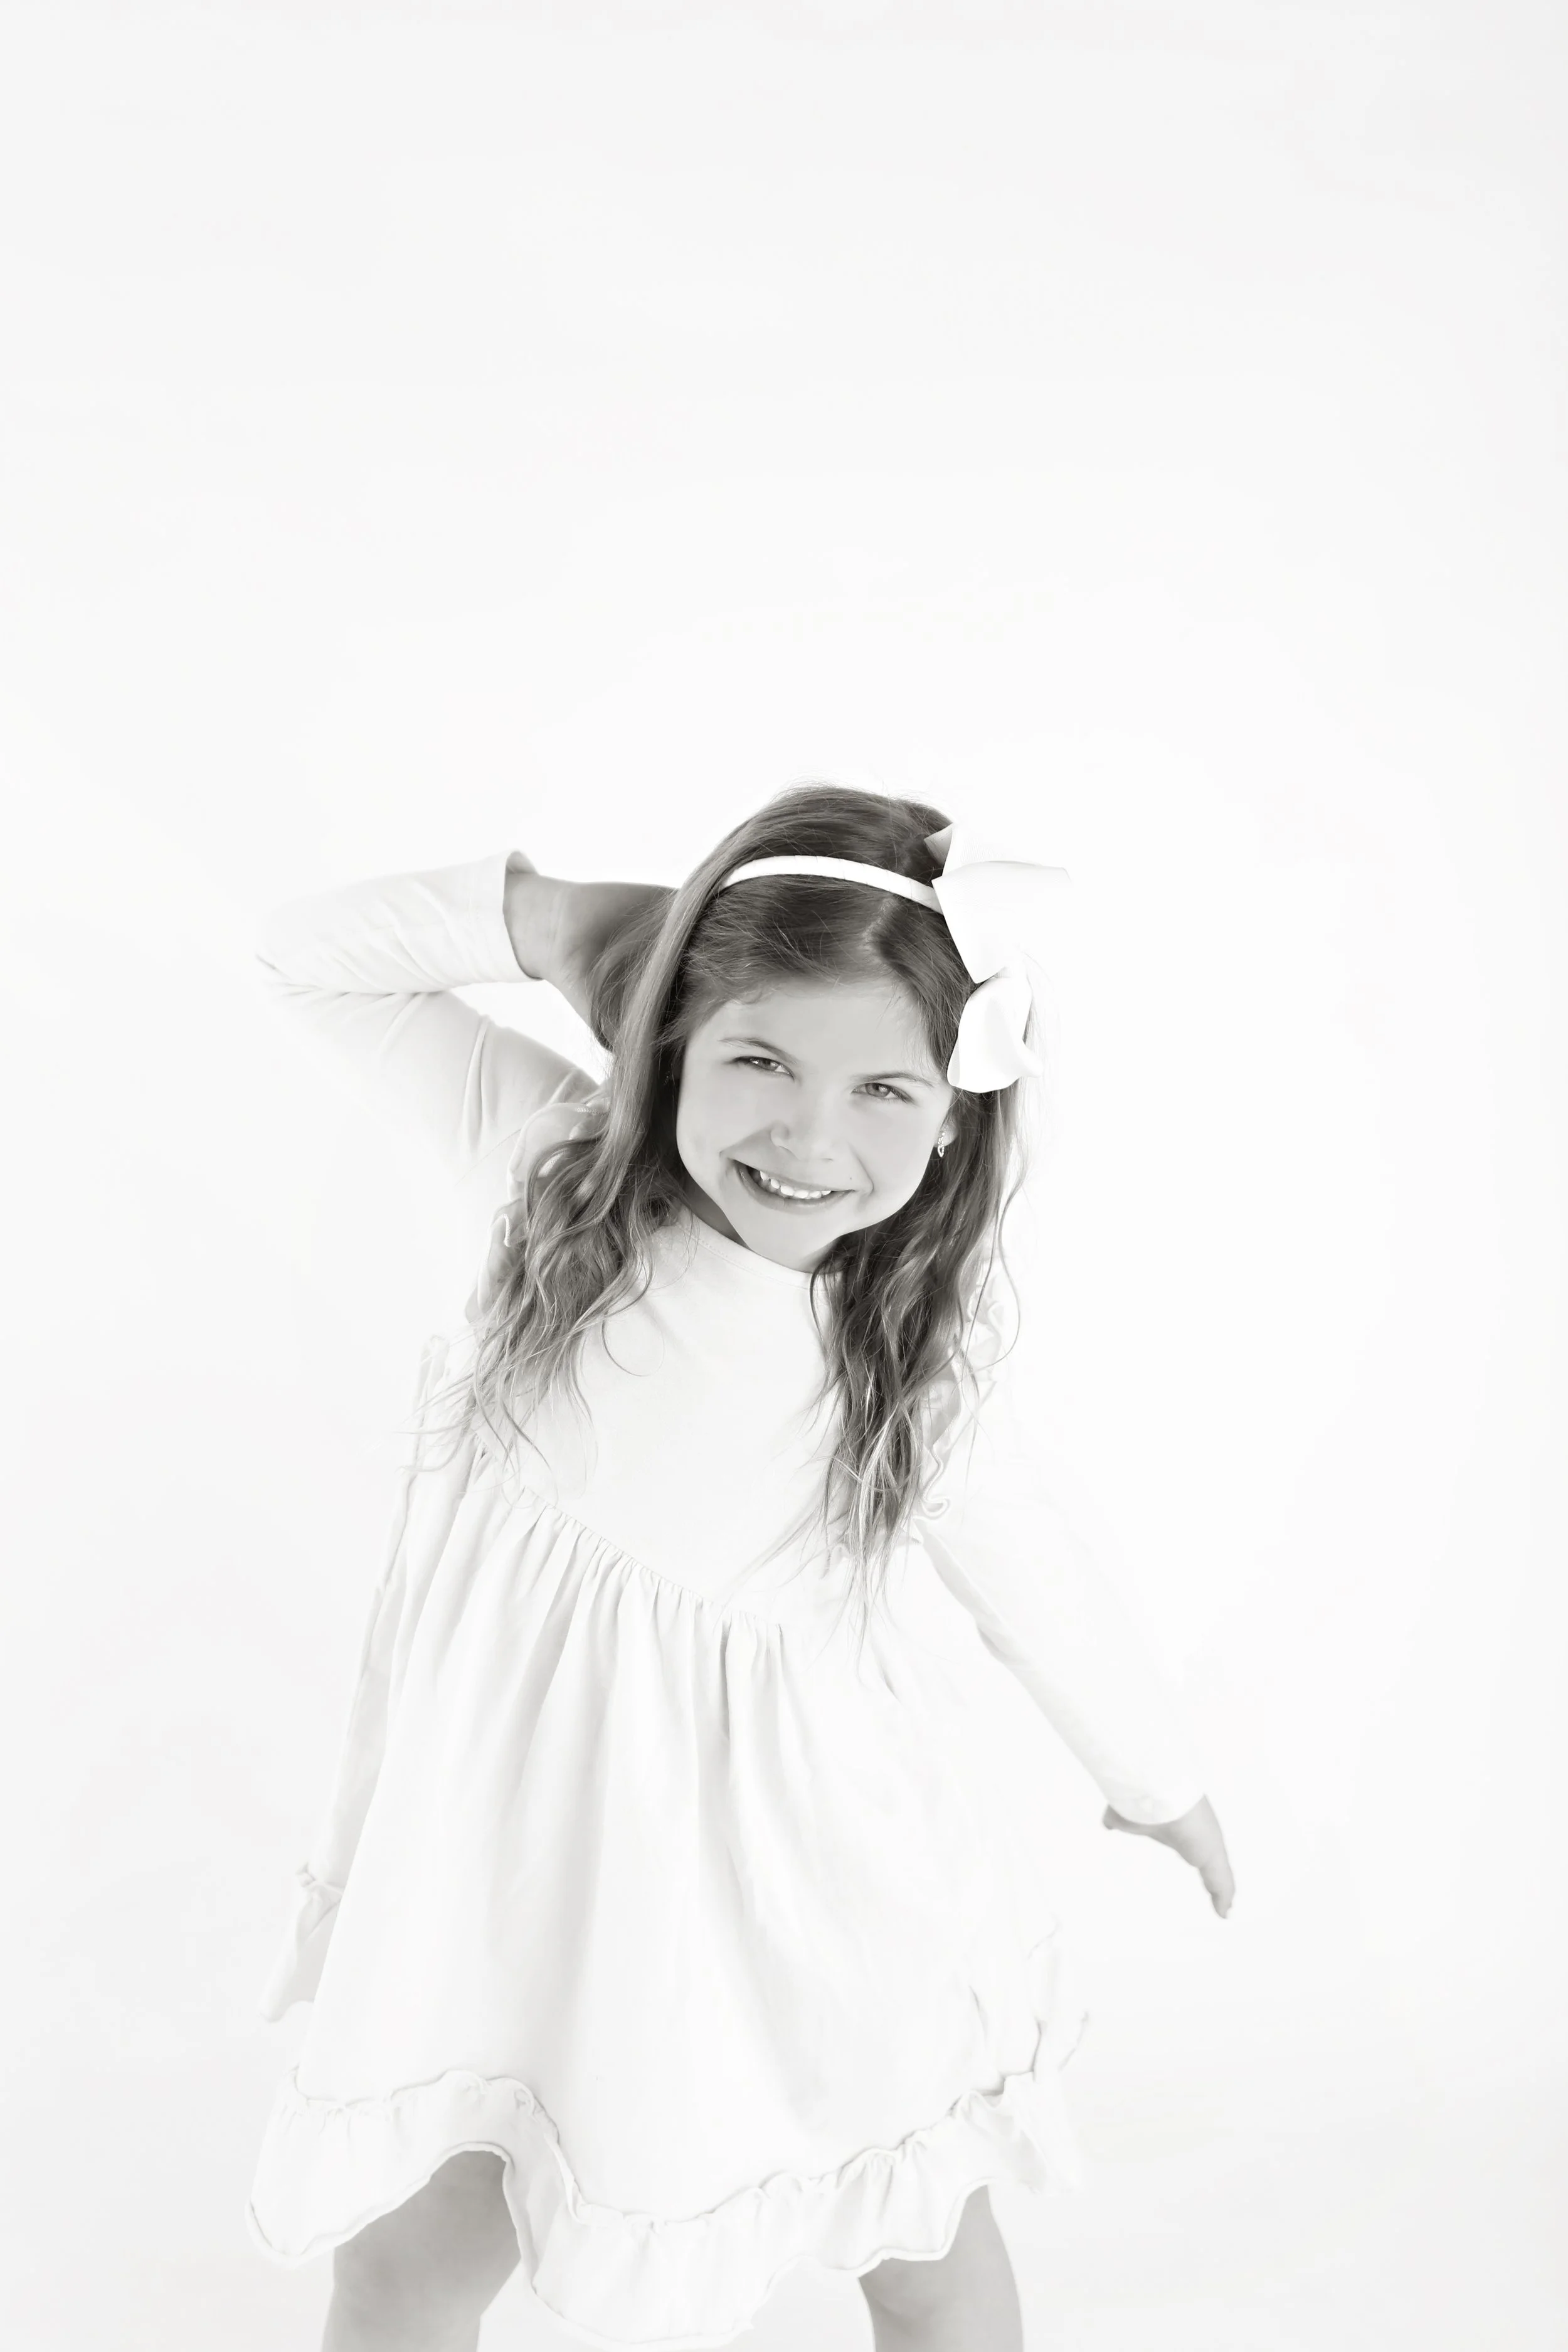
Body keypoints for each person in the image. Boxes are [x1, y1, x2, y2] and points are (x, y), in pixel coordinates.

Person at [244, 780, 1236, 2352]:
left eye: (882, 1093)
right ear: (666, 1038)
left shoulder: (896, 1352)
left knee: (917, 2246)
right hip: (509, 1870)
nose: (807, 1138)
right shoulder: (546, 1172)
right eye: (758, 1060)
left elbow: (1031, 1567)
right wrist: (570, 919)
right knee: (403, 2269)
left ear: (954, 1111)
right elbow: (307, 956)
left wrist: (1156, 1773)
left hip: (801, 1896)